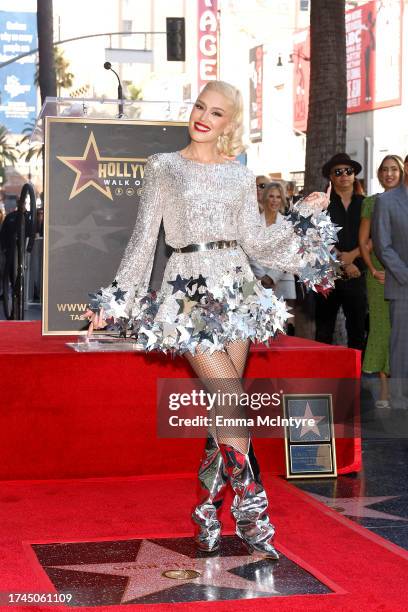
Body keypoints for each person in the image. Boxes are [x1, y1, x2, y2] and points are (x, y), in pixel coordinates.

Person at [84, 80, 336, 559]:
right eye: (200, 106)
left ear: (229, 123)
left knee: (227, 406)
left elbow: (257, 242)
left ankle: (206, 510)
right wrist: (115, 299)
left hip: (236, 288)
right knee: (229, 398)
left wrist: (301, 215)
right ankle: (255, 513)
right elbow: (143, 241)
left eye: (217, 112)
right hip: (188, 292)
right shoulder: (164, 166)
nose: (203, 116)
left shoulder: (240, 175)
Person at [359, 155, 404, 408]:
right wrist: (373, 269)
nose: (389, 174)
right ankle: (386, 392)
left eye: (394, 169)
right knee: (382, 330)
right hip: (379, 278)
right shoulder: (371, 202)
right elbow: (363, 242)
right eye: (385, 169)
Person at [315, 153, 367, 350]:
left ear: (354, 175)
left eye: (348, 171)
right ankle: (322, 378)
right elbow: (316, 238)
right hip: (327, 275)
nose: (344, 175)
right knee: (323, 331)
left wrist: (353, 257)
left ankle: (355, 379)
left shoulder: (366, 203)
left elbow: (373, 238)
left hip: (357, 274)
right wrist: (344, 262)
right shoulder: (320, 204)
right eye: (338, 172)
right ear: (331, 176)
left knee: (357, 331)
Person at [372, 154, 408, 409]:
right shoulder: (386, 201)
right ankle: (398, 398)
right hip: (402, 284)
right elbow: (383, 246)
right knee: (401, 346)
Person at [249, 182, 296, 304]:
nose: (274, 200)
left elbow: (289, 255)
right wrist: (262, 276)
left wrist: (271, 277)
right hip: (256, 280)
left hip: (283, 281)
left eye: (278, 197)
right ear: (264, 198)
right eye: (271, 196)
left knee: (284, 322)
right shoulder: (252, 222)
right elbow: (249, 250)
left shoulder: (288, 224)